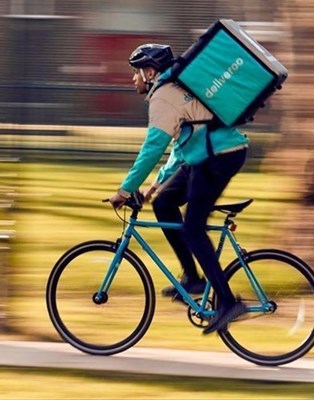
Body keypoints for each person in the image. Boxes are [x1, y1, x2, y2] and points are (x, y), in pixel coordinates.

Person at [108, 44, 248, 334]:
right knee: (163, 203)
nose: (133, 79)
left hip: (219, 156)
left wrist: (125, 190)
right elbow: (183, 141)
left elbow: (153, 146)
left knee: (193, 228)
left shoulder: (164, 96)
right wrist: (157, 183)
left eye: (135, 72)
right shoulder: (173, 88)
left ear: (150, 72)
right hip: (207, 155)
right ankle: (193, 278)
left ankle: (227, 302)